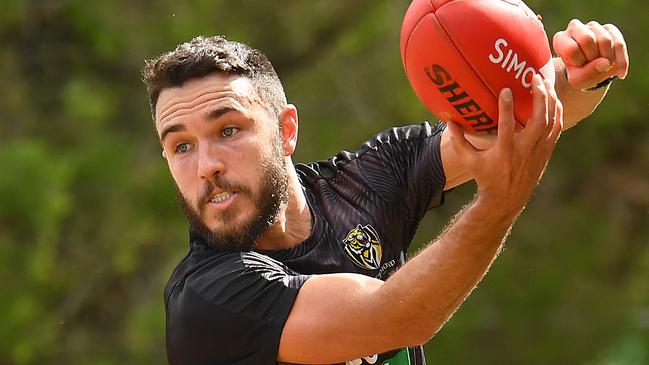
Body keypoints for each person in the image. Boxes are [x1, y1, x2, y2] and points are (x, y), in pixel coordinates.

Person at [142, 18, 628, 365]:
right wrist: (499, 204)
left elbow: (507, 126)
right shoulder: (206, 299)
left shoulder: (365, 182)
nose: (206, 166)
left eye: (228, 130)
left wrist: (580, 76)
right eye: (181, 145)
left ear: (286, 130)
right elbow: (395, 317)